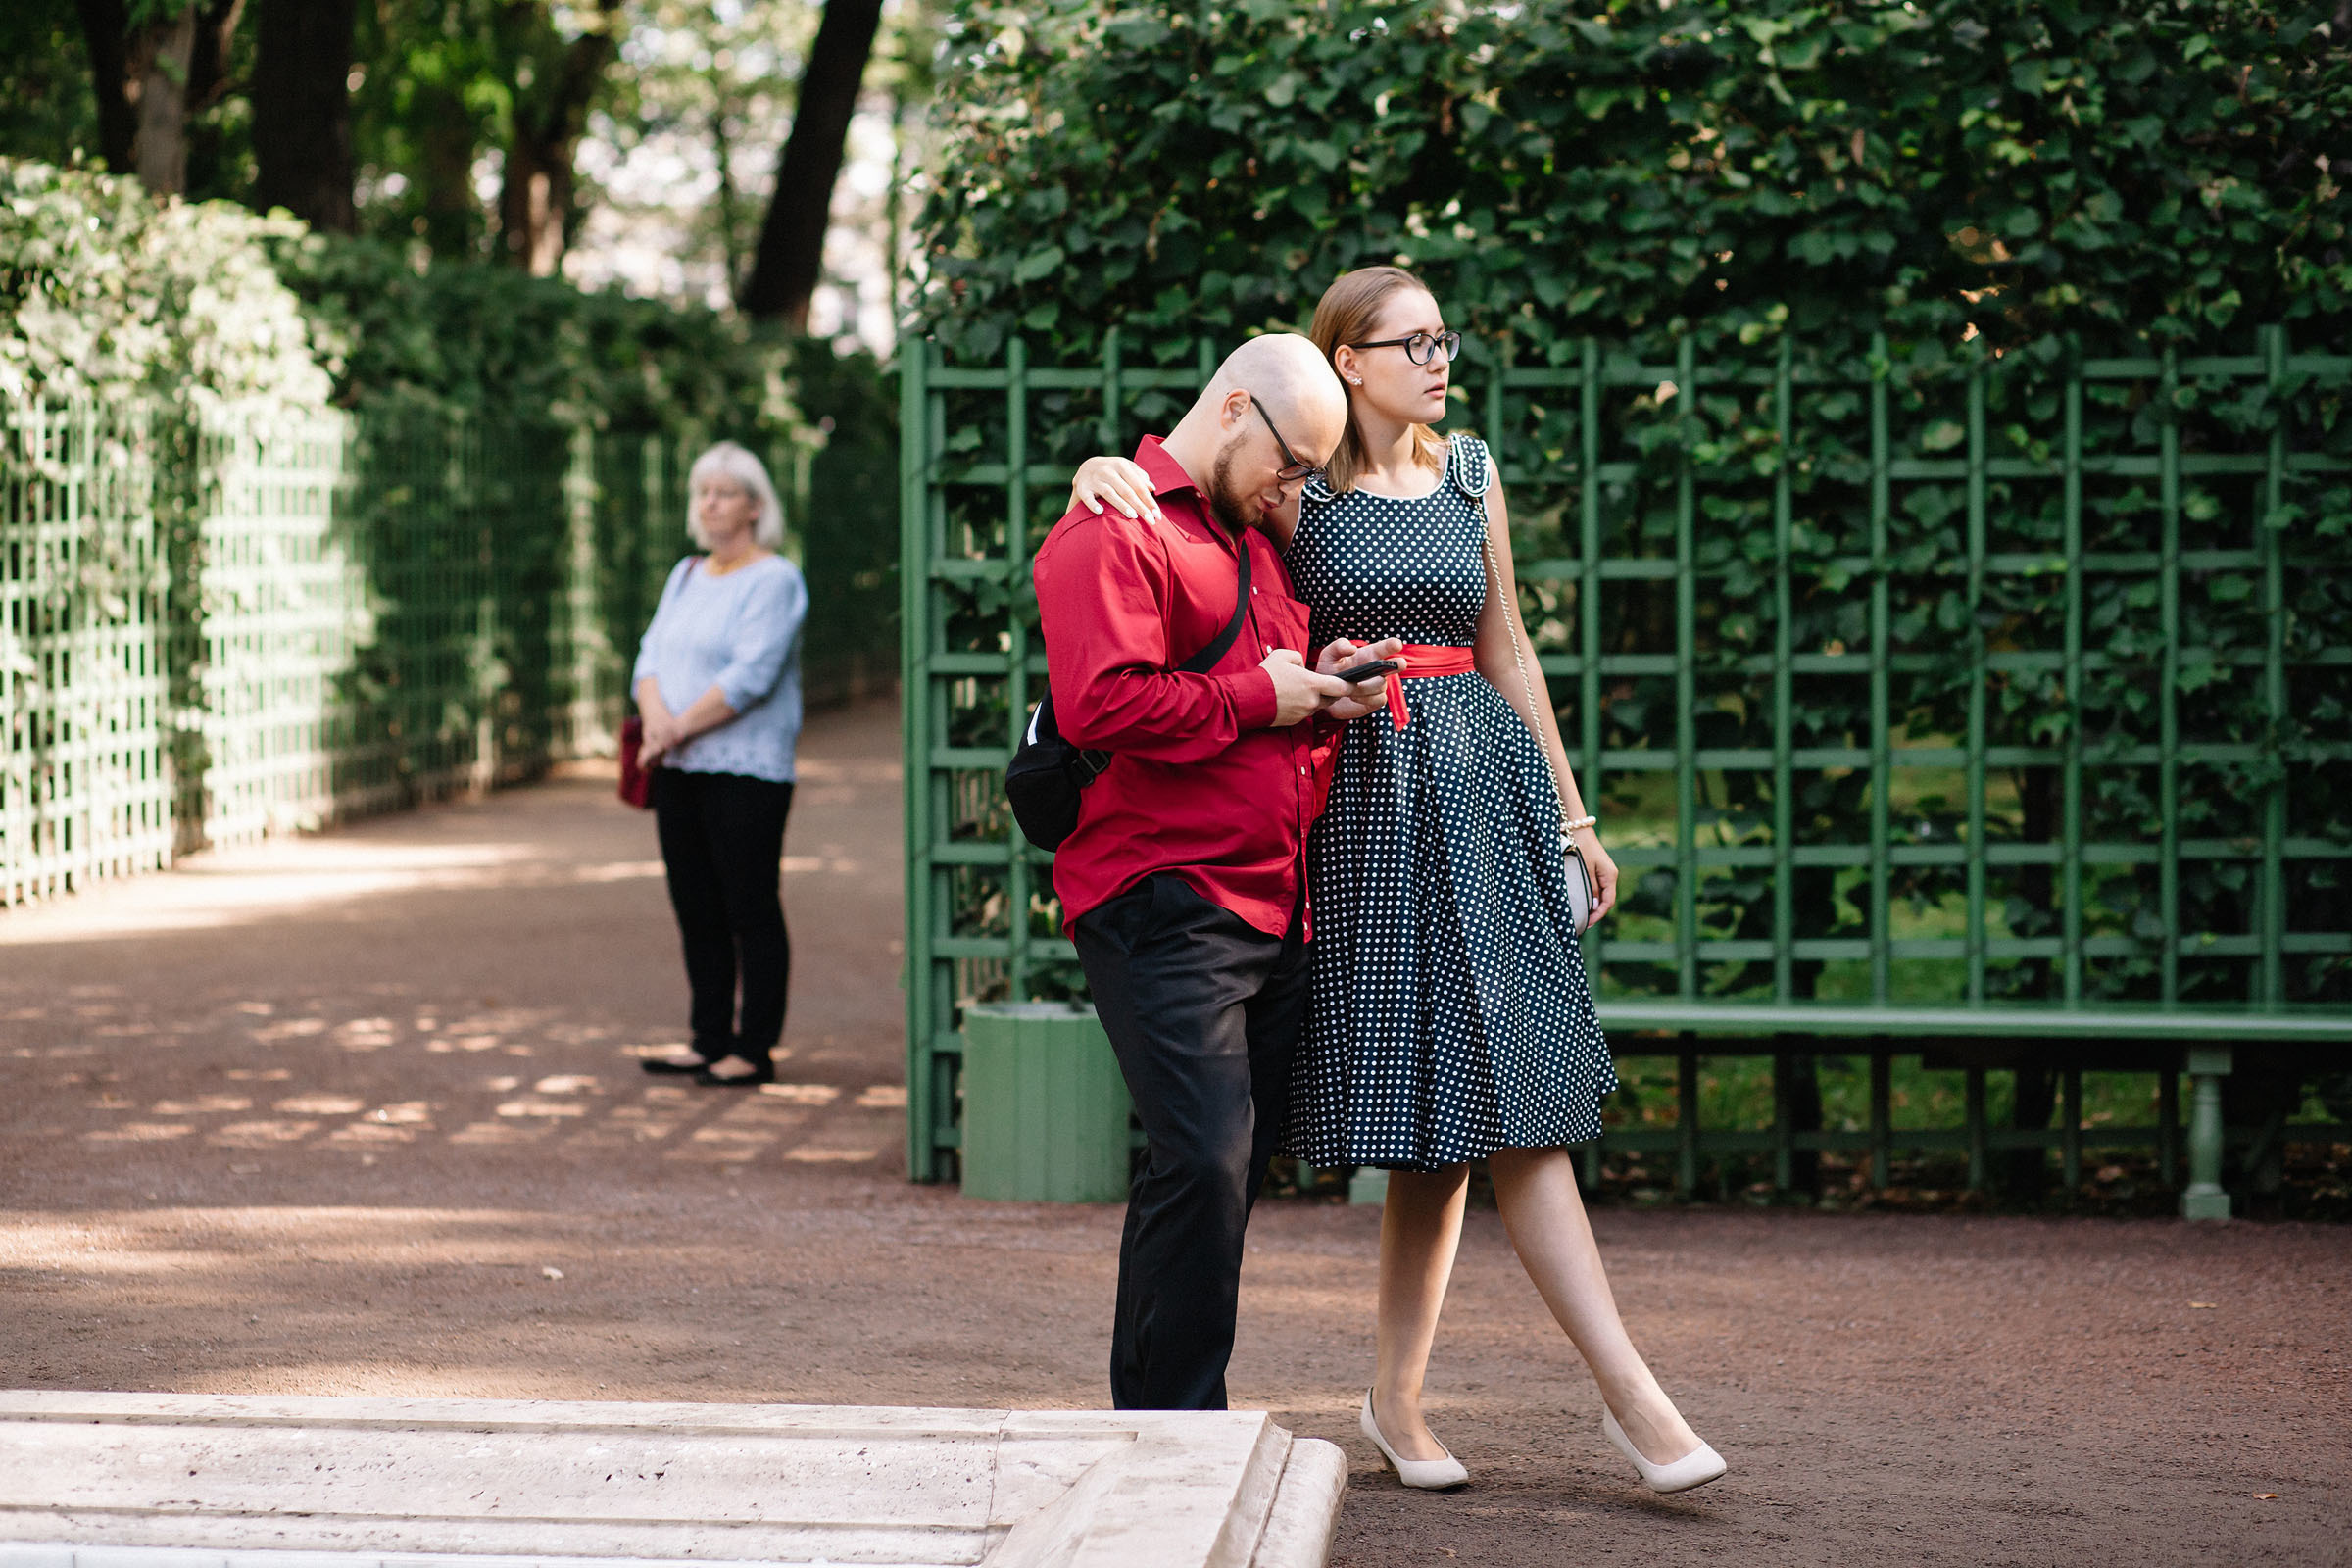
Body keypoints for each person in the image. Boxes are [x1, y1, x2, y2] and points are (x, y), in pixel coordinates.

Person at [1068, 270, 1726, 1494]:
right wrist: (1098, 472)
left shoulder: (1471, 472)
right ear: (1347, 360)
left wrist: (1573, 810)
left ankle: (1598, 1397)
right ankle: (1409, 1401)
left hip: (1482, 789)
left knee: (1512, 1088)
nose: (1438, 358)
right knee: (1436, 1108)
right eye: (1411, 340)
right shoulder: (1298, 489)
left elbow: (1507, 645)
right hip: (1352, 805)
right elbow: (1193, 511)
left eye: (1443, 338)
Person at [1035, 332, 1402, 1412]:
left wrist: (1321, 690)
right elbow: (1102, 704)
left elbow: (1260, 700)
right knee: (1202, 1157)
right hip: (1162, 892)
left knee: (1220, 1165)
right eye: (1291, 463)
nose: (1294, 490)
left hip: (1271, 900)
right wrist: (1261, 697)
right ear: (1236, 407)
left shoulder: (1256, 541)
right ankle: (1175, 1427)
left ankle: (1167, 1417)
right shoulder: (1114, 525)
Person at [631, 441, 809, 1089]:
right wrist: (658, 722)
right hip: (678, 767)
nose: (710, 504)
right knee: (695, 906)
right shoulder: (685, 574)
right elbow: (648, 658)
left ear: (755, 506)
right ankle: (707, 1038)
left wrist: (673, 728)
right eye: (703, 492)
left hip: (746, 770)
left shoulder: (775, 580)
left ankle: (753, 1047)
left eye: (725, 492)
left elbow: (752, 675)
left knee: (749, 906)